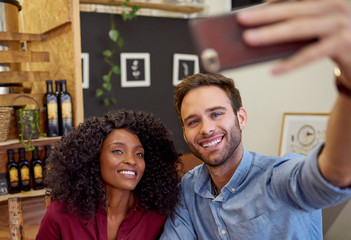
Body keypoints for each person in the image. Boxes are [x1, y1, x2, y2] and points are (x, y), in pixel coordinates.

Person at [161, 0, 351, 239]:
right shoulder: (188, 189)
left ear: (241, 118)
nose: (206, 129)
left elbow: (331, 178)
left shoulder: (277, 177)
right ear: (185, 131)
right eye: (193, 121)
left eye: (216, 114)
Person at [36, 110, 181, 240]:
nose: (131, 160)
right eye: (117, 151)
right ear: (93, 157)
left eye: (139, 154)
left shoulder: (157, 216)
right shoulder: (61, 213)